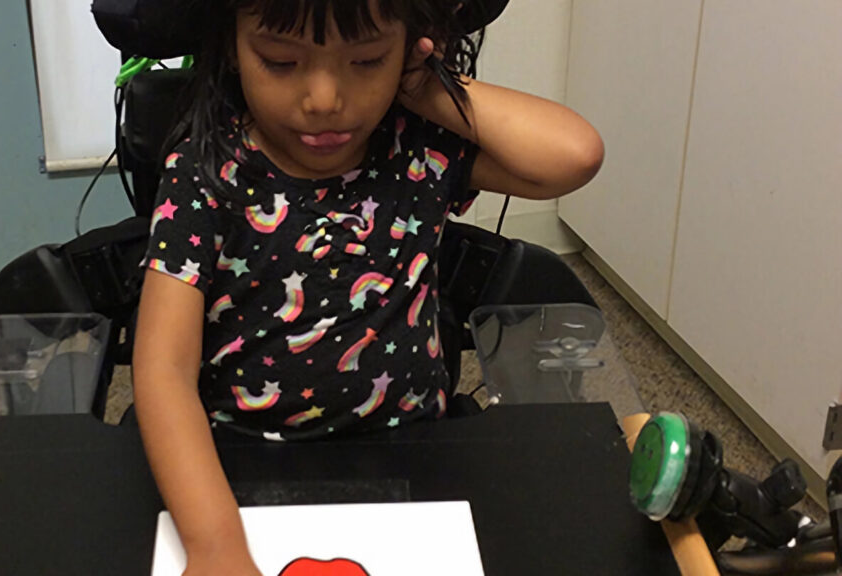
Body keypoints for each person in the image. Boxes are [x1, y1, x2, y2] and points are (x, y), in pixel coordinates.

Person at [132, 1, 604, 574]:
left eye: (366, 60)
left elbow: (573, 157)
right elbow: (163, 369)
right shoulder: (205, 171)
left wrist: (424, 89)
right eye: (281, 62)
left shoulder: (419, 147)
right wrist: (213, 543)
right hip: (240, 465)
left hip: (416, 461)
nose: (325, 99)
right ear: (232, 45)